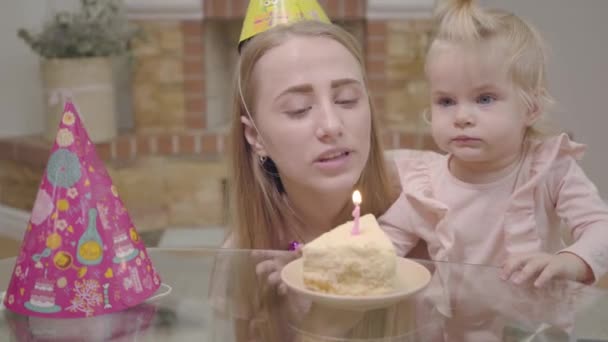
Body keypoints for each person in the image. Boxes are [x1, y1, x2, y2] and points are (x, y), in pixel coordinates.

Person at [378, 0, 608, 339]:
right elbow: (385, 242)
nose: (461, 116)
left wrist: (570, 261)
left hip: (535, 331)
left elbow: (600, 227)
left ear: (531, 108)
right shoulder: (426, 185)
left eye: (484, 98)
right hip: (448, 333)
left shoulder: (549, 171)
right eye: (446, 101)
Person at [209, 16, 409, 342]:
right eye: (299, 108)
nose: (331, 125)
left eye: (347, 99)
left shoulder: (420, 214)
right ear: (255, 135)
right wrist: (322, 328)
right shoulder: (245, 261)